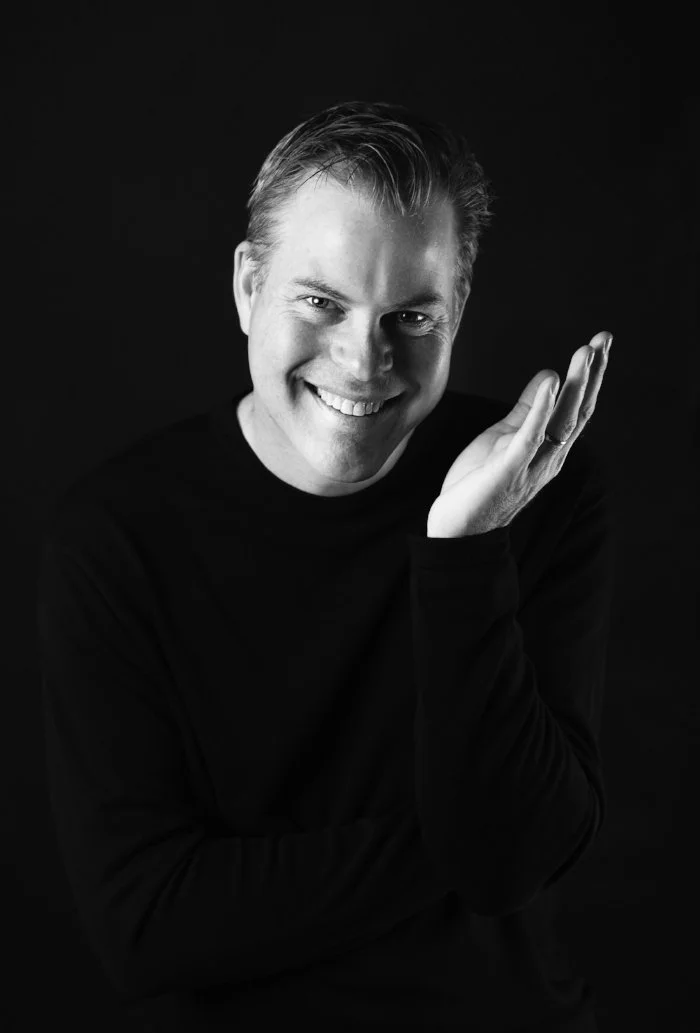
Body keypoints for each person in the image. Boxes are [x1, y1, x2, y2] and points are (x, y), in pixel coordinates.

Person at [36, 100, 615, 1031]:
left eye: (411, 314)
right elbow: (145, 927)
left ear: (457, 311)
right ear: (246, 287)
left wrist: (462, 549)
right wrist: (460, 839)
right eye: (321, 301)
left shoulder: (532, 481)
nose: (363, 359)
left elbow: (510, 862)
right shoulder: (114, 540)